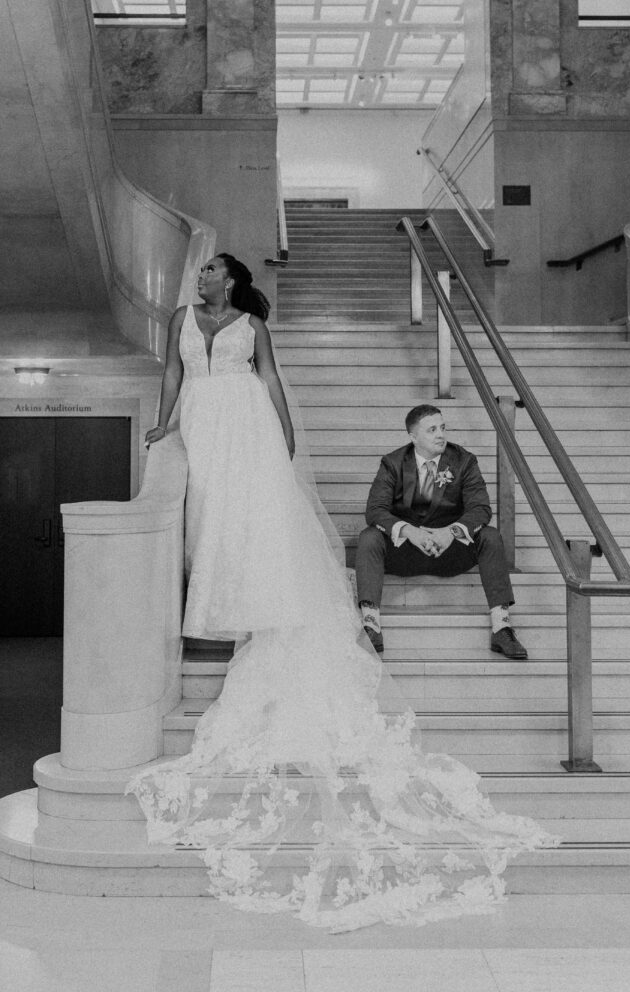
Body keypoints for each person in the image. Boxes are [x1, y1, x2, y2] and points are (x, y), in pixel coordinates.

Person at [128, 256, 558, 932]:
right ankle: (227, 604)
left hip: (245, 418)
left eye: (211, 269)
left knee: (250, 511)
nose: (202, 275)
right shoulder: (182, 319)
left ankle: (271, 604)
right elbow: (173, 375)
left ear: (231, 280)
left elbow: (268, 378)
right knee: (211, 512)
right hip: (201, 422)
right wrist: (163, 426)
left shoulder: (250, 325)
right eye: (203, 270)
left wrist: (286, 434)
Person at [356, 404, 527, 661]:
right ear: (413, 437)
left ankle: (501, 627)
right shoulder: (392, 463)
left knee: (490, 535)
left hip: (451, 552)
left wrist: (451, 532)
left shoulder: (464, 460)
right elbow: (375, 510)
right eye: (432, 429)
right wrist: (411, 532)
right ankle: (371, 625)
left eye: (443, 427)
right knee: (369, 536)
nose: (441, 435)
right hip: (407, 552)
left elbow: (480, 509)